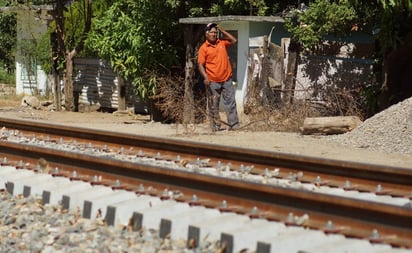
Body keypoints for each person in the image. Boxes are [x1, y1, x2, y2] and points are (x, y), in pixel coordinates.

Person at [198, 23, 240, 131]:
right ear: (206, 34)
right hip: (213, 81)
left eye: (215, 32)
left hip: (226, 79)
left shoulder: (221, 43)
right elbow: (200, 65)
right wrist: (205, 78)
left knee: (230, 103)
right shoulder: (203, 48)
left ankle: (234, 125)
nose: (214, 34)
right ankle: (215, 126)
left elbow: (234, 40)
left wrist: (223, 31)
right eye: (211, 32)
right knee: (214, 105)